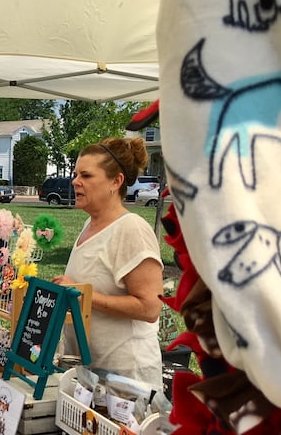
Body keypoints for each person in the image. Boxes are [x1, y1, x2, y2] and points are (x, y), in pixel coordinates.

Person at [51, 137, 163, 389]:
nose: (75, 181)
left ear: (116, 181)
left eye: (86, 175)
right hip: (90, 373)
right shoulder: (88, 226)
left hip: (125, 379)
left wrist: (82, 295)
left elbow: (150, 307)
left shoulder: (131, 228)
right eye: (76, 173)